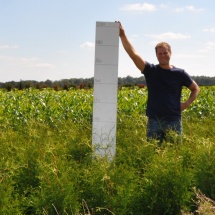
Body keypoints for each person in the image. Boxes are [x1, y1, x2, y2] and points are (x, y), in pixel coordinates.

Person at [117, 21, 200, 143]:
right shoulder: (151, 71)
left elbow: (196, 88)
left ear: (170, 53)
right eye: (160, 53)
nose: (163, 55)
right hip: (154, 121)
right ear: (156, 56)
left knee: (174, 153)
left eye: (165, 52)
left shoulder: (180, 73)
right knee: (152, 152)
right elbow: (133, 55)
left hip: (174, 120)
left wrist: (186, 104)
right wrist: (122, 35)